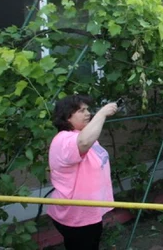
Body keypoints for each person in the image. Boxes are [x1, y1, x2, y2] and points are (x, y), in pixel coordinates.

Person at [48, 95, 118, 250]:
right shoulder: (64, 139)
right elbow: (84, 142)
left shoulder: (80, 135)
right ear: (67, 117)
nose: (88, 113)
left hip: (87, 211)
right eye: (81, 110)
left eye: (88, 109)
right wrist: (102, 113)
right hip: (76, 214)